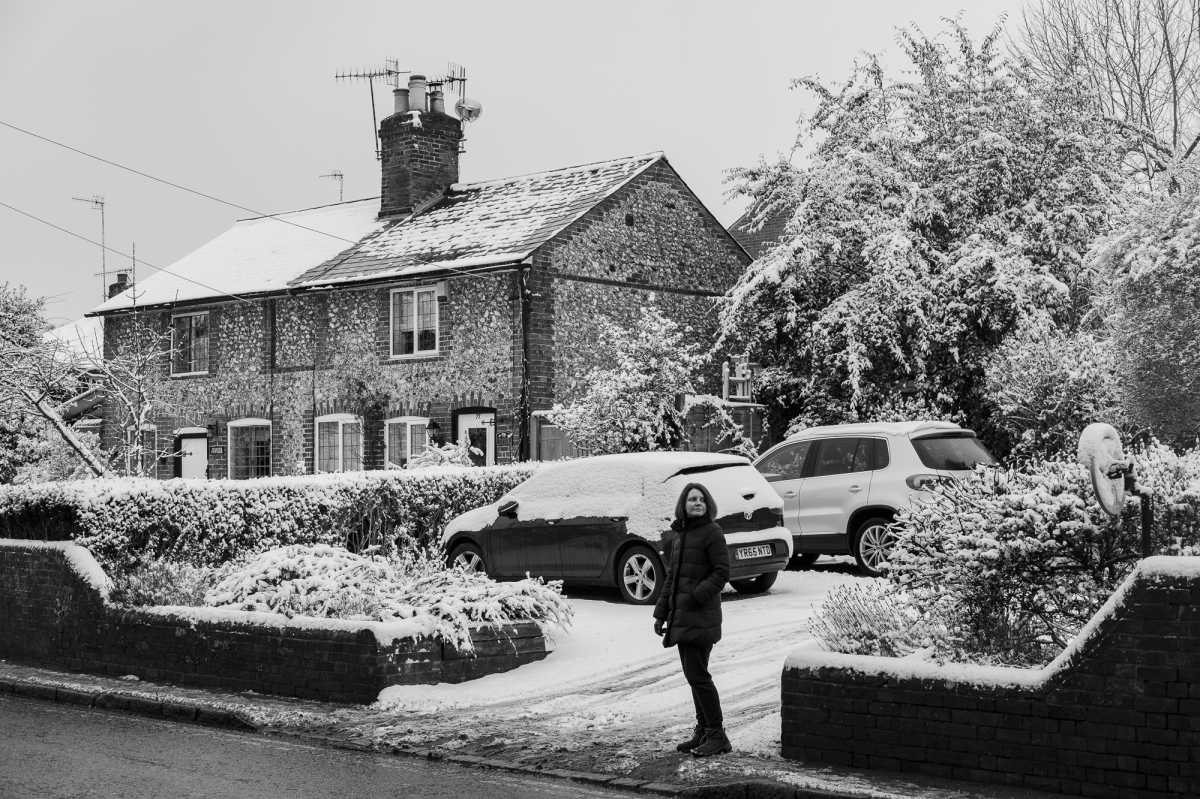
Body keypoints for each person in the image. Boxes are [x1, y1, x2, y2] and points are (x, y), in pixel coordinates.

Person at [653, 482, 732, 757]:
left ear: (707, 503)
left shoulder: (712, 532)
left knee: (698, 676)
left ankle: (716, 734)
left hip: (701, 617)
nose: (696, 502)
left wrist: (698, 595)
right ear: (683, 505)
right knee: (694, 676)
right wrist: (661, 613)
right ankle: (703, 731)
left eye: (701, 499)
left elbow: (722, 572)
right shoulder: (680, 536)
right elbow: (673, 579)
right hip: (683, 617)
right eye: (691, 499)